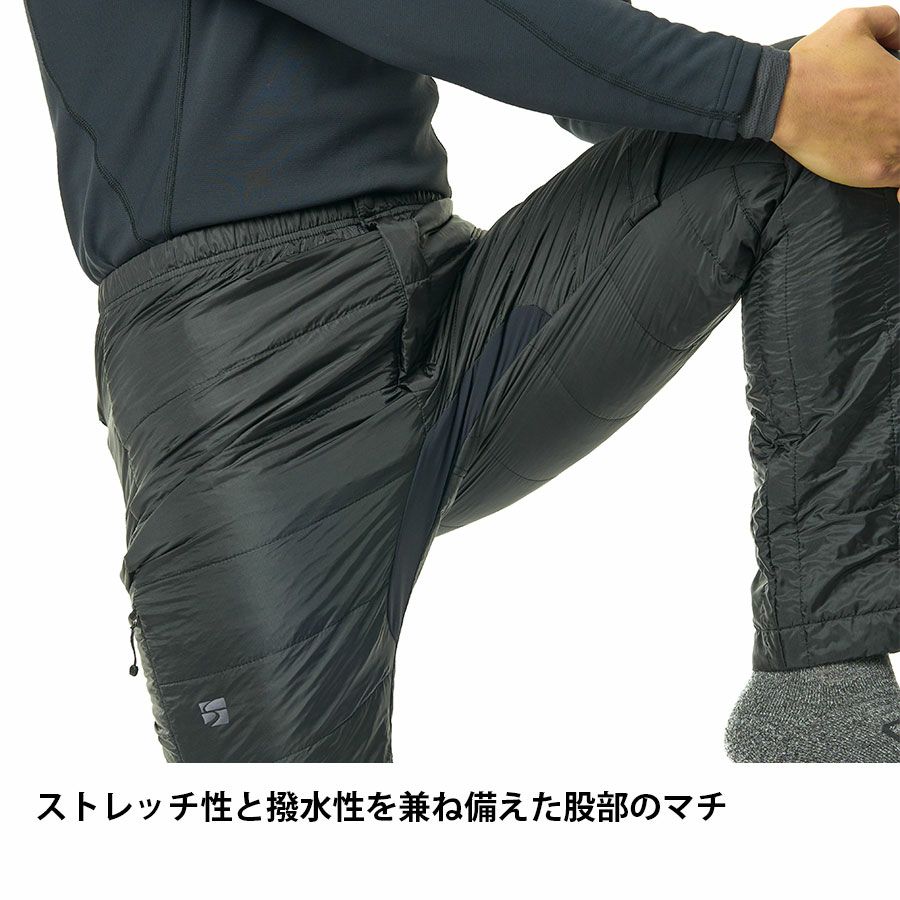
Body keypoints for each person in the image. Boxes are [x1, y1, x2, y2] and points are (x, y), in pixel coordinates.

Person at [25, 0, 900, 763]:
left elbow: (557, 51)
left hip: (443, 296)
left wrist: (796, 93)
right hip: (244, 377)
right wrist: (763, 89)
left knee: (827, 132)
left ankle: (820, 700)